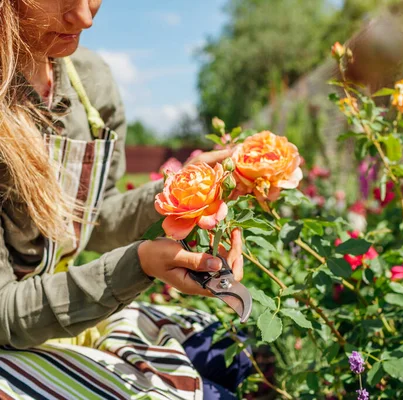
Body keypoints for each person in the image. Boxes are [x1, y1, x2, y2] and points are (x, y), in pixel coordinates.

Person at [0, 1, 251, 398]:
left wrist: (183, 192)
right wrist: (138, 266)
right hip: (9, 330)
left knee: (233, 354)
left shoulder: (89, 79)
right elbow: (4, 314)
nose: (85, 17)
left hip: (53, 311)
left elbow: (97, 219)